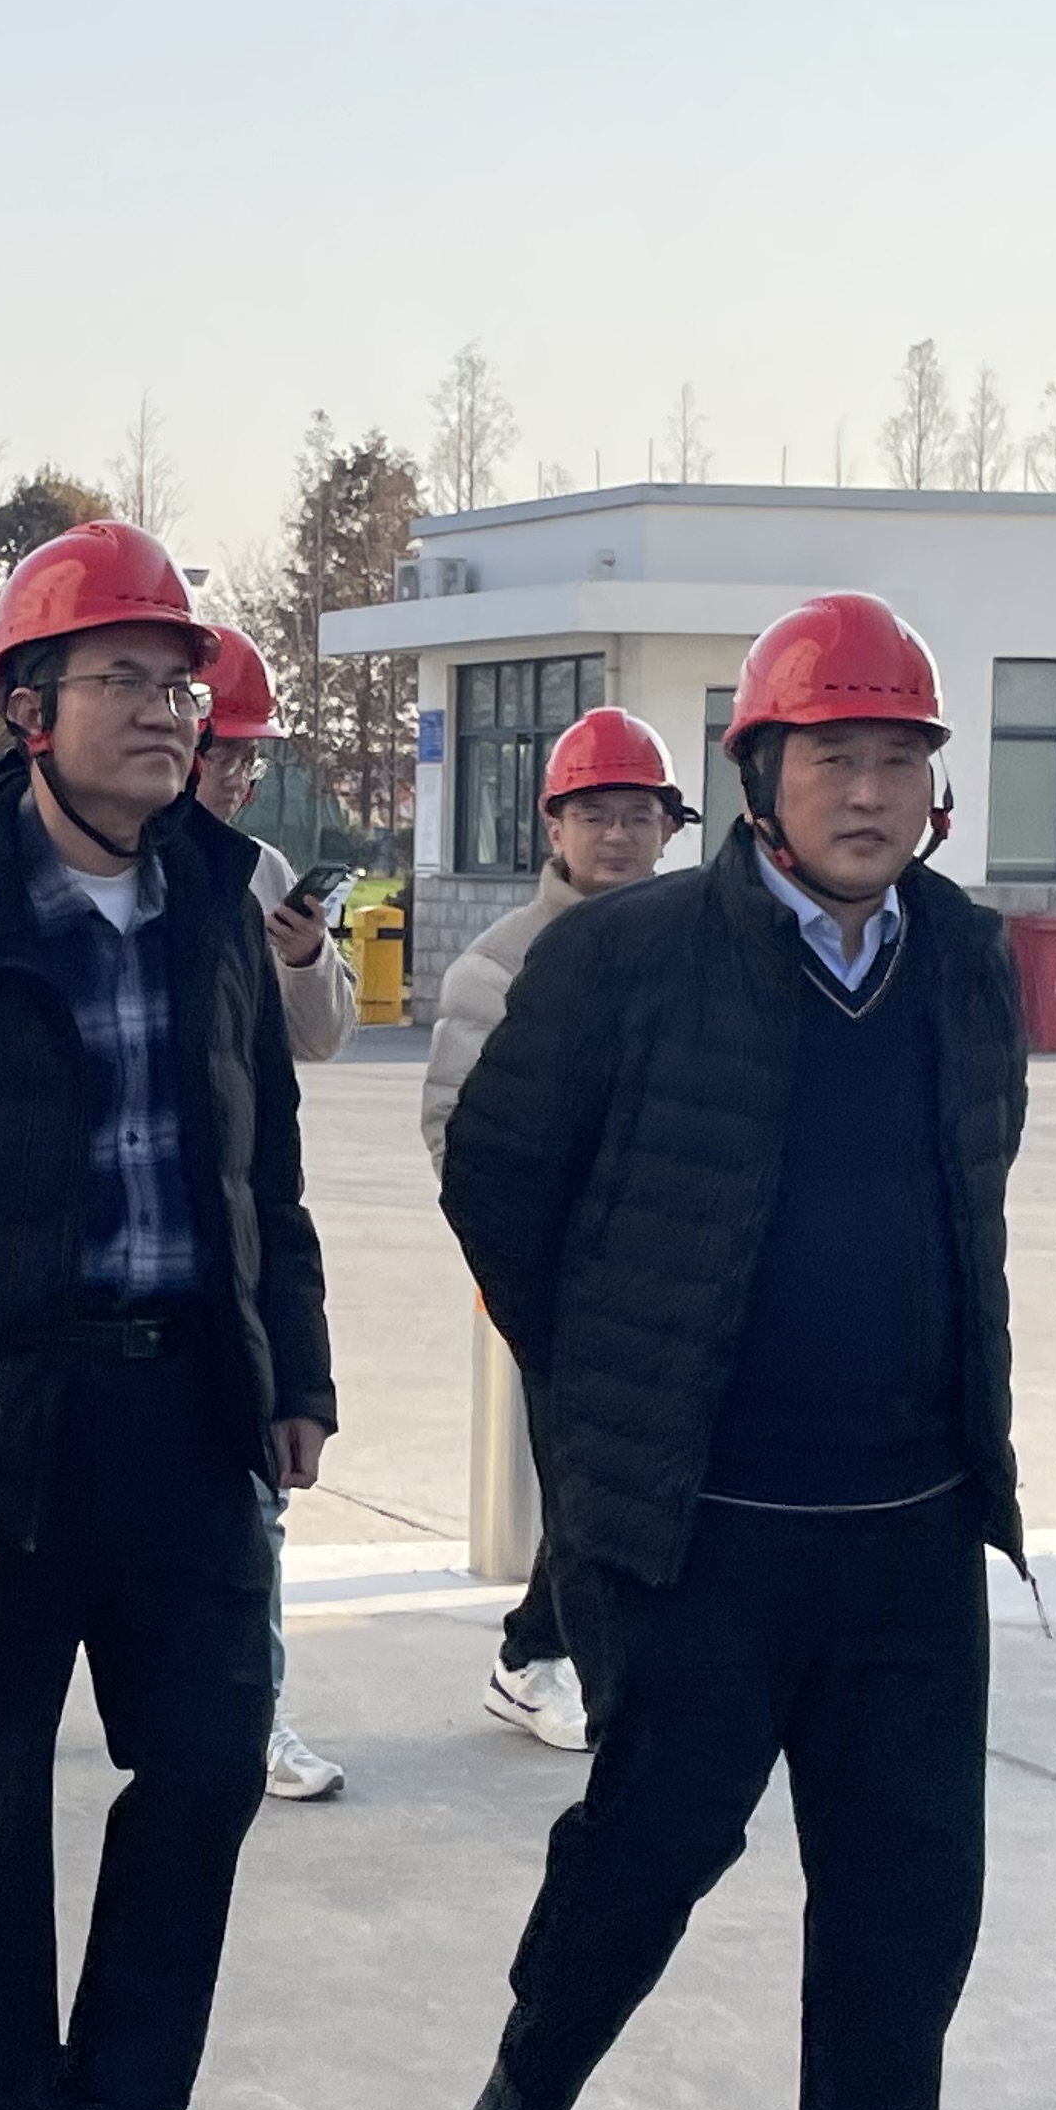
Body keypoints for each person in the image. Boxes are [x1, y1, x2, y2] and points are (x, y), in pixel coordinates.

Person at [439, 592, 1031, 2110]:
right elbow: (499, 1180)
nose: (870, 789)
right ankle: (538, 2064)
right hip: (699, 1523)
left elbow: (973, 1176)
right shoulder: (624, 960)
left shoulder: (963, 956)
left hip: (908, 1521)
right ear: (761, 774)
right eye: (834, 754)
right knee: (656, 1841)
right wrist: (608, 1384)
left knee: (910, 1885)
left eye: (900, 757)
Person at [0, 518, 335, 2110]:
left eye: (179, 684)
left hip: (188, 1407)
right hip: (6, 1418)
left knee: (210, 1761)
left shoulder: (217, 896)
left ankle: (125, 2103)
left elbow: (263, 1154)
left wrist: (293, 1365)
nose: (166, 711)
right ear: (29, 707)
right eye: (122, 680)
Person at [419, 707, 692, 1756]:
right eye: (594, 814)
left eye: (637, 814)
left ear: (669, 827)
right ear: (554, 827)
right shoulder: (498, 967)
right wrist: (535, 1284)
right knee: (586, 1485)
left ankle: (538, 1648)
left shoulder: (708, 949)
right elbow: (461, 1142)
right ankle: (553, 1665)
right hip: (566, 1288)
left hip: (683, 1276)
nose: (616, 835)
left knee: (646, 1482)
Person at [188, 622, 353, 1801]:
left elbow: (322, 1038)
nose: (239, 778)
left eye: (250, 759)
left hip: (241, 1235)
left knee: (255, 1515)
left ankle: (257, 1715)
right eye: (228, 754)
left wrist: (302, 957)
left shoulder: (256, 871)